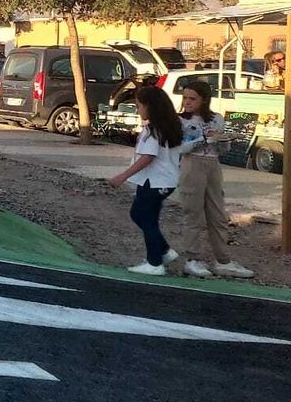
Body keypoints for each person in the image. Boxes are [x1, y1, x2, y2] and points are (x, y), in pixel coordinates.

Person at [175, 81, 254, 279]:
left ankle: (223, 260)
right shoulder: (180, 120)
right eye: (185, 98)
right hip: (191, 165)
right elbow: (180, 148)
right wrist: (204, 140)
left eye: (192, 98)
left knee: (217, 214)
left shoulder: (216, 119)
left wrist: (223, 140)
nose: (187, 102)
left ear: (204, 99)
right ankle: (191, 259)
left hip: (213, 166)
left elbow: (222, 150)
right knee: (193, 213)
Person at [108, 84, 185, 275]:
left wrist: (123, 176)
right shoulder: (169, 127)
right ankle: (164, 251)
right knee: (139, 214)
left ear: (151, 106)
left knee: (147, 219)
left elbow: (148, 157)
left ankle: (154, 263)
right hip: (159, 181)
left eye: (140, 105)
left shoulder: (153, 131)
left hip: (155, 181)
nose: (138, 109)